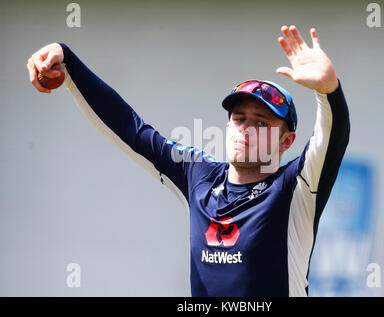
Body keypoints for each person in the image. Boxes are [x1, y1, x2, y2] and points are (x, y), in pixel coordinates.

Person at [26, 25, 350, 297]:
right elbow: (130, 128)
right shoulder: (199, 176)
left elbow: (331, 140)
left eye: (262, 122)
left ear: (286, 141)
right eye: (239, 118)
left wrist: (328, 91)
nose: (246, 129)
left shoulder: (294, 188)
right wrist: (66, 61)